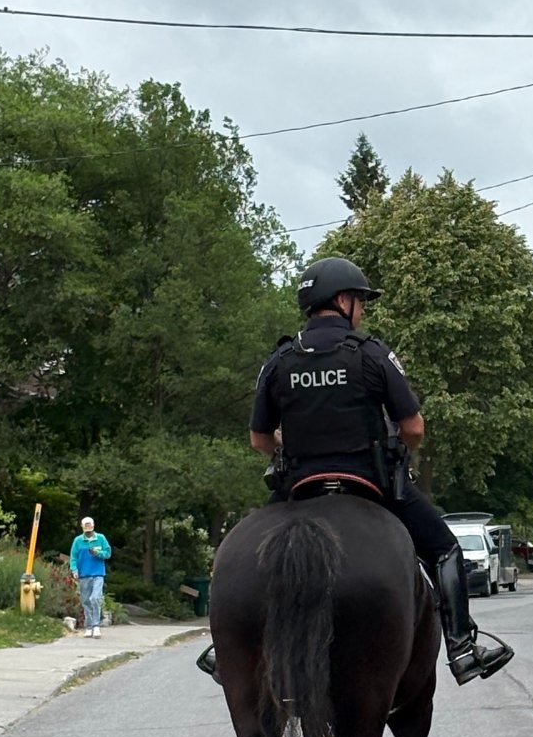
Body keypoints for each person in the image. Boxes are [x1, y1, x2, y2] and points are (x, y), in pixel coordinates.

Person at [197, 256, 513, 687]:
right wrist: (402, 446)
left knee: (241, 552)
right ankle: (461, 645)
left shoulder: (278, 360)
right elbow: (413, 427)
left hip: (299, 487)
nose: (362, 309)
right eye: (360, 300)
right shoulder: (371, 354)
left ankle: (224, 646)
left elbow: (259, 439)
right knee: (443, 549)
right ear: (343, 300)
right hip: (372, 483)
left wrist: (286, 447)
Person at [70, 516, 111, 639]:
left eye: (89, 524)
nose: (88, 527)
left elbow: (108, 554)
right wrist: (74, 570)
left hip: (98, 574)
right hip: (84, 575)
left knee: (95, 598)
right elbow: (73, 557)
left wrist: (98, 553)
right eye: (85, 525)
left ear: (93, 525)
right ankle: (88, 627)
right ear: (82, 527)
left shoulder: (101, 538)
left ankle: (96, 626)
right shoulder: (78, 541)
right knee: (86, 601)